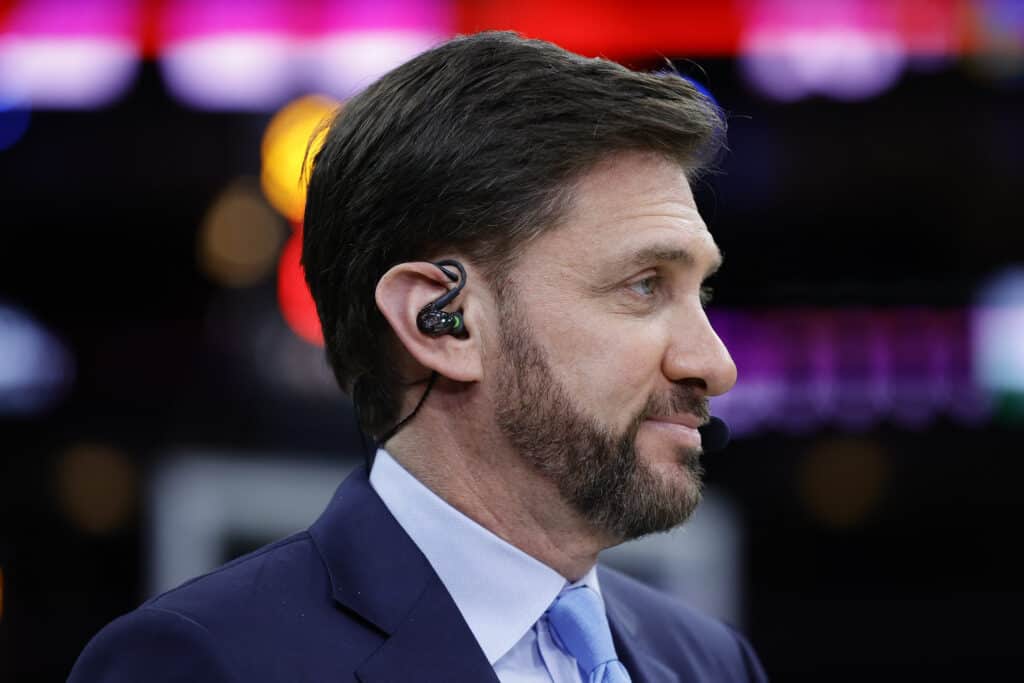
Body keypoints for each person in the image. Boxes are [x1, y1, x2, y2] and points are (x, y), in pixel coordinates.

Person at [70, 31, 767, 682]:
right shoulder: (201, 662)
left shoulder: (710, 659)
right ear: (444, 322)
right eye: (645, 285)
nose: (716, 363)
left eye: (699, 290)